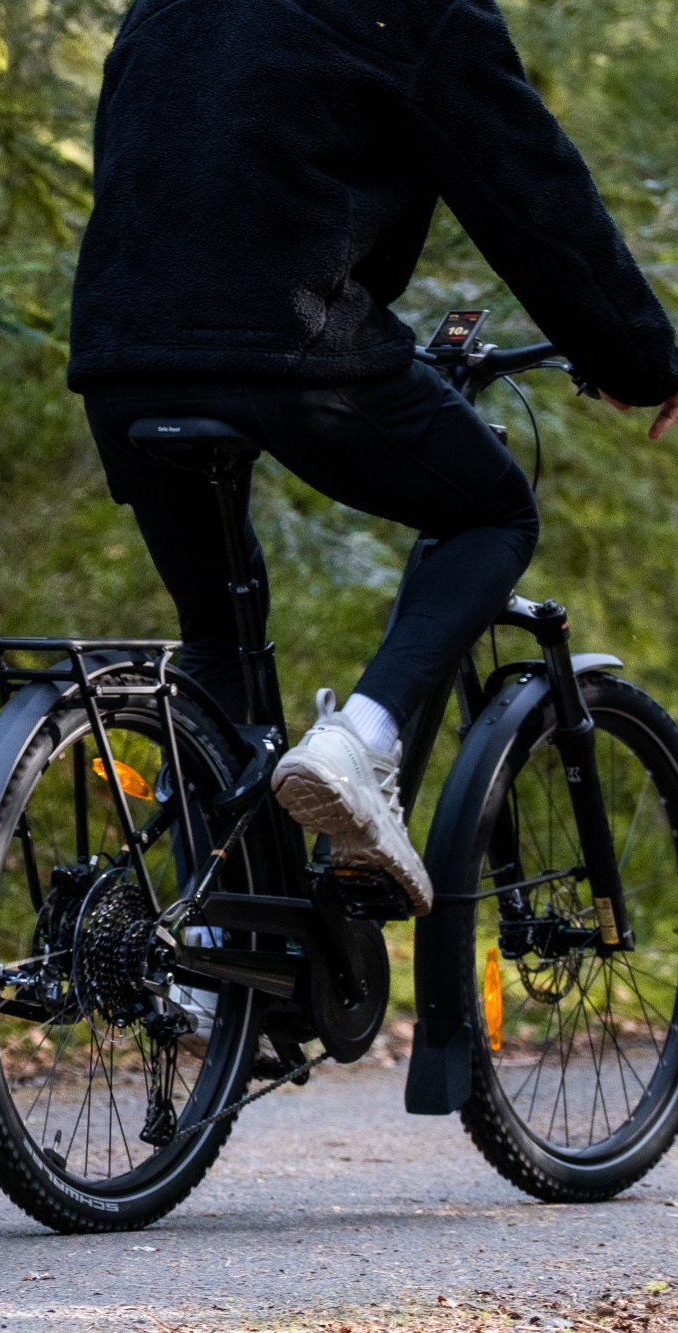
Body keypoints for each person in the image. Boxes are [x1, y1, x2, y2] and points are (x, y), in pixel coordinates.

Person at [67, 0, 678, 914]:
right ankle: (363, 739)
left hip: (123, 355)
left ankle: (223, 962)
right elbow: (529, 191)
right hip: (287, 339)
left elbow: (139, 150)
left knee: (218, 644)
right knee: (491, 512)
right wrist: (641, 360)